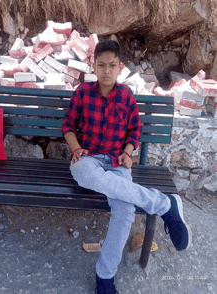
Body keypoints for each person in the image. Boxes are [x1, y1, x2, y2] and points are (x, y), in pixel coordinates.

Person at [62, 40, 192, 294]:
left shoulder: (126, 97)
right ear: (94, 66)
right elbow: (68, 126)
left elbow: (134, 130)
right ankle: (164, 204)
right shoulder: (82, 92)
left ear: (120, 67)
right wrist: (76, 149)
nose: (106, 70)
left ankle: (105, 277)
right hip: (88, 159)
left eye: (112, 65)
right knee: (84, 173)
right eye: (101, 65)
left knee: (125, 211)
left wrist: (128, 152)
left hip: (117, 163)